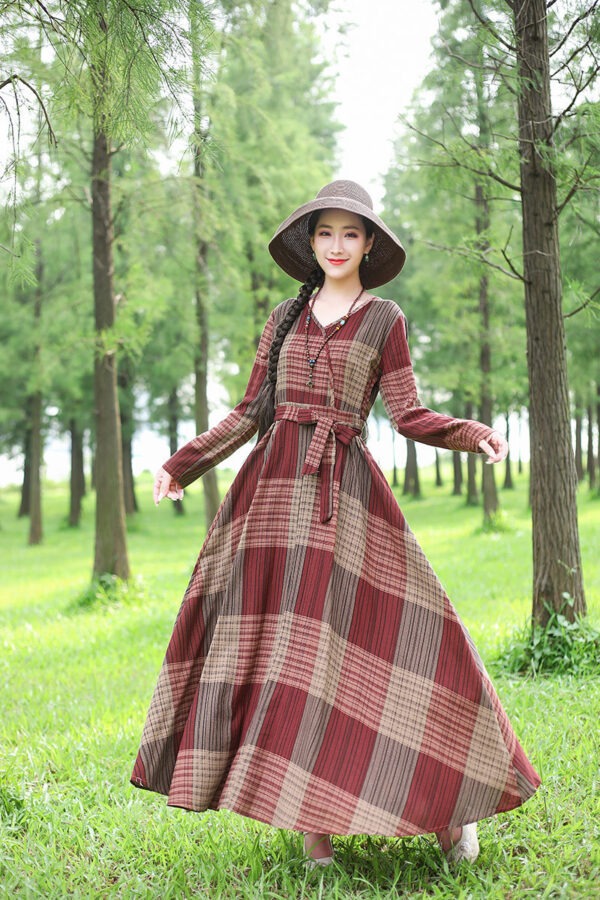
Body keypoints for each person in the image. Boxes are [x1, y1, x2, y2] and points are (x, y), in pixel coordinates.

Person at [131, 180, 540, 868]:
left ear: (370, 243)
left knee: (407, 636)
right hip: (272, 501)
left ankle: (449, 811)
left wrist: (472, 433)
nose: (338, 246)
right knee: (286, 661)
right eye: (326, 233)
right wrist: (182, 464)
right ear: (309, 242)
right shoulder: (283, 318)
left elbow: (408, 414)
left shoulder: (385, 319)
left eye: (352, 234)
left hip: (345, 497)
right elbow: (251, 410)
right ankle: (313, 832)